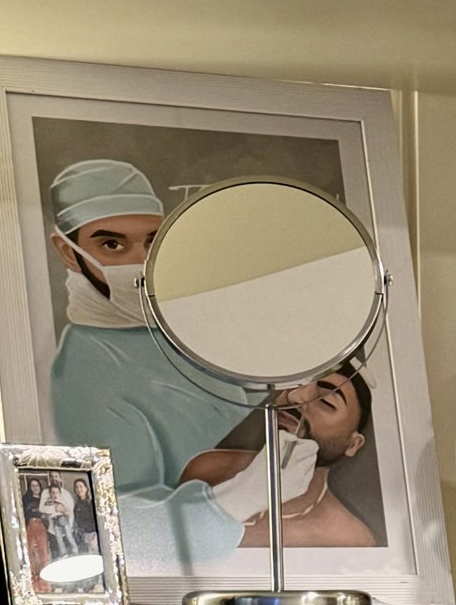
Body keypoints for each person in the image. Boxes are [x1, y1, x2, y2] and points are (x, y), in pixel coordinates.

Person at [44, 158, 311, 567]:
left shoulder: (186, 336)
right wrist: (239, 499)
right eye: (112, 245)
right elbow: (108, 529)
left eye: (153, 242)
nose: (141, 262)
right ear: (68, 251)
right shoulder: (84, 373)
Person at [177, 362, 378, 547]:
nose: (294, 397)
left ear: (353, 444)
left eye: (326, 402)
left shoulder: (350, 537)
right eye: (292, 385)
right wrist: (245, 493)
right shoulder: (208, 469)